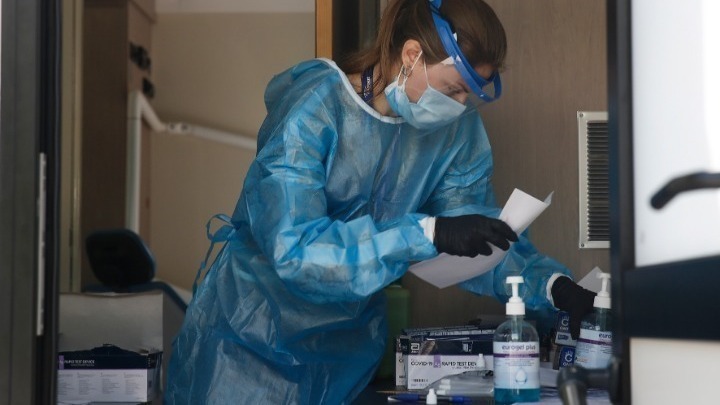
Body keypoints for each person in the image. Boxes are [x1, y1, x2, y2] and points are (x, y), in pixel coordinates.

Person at [165, 0, 595, 403]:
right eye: (454, 89)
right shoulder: (314, 109)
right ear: (411, 55)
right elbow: (294, 249)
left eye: (471, 94)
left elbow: (478, 236)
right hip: (249, 340)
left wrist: (550, 285)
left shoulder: (453, 132)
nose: (462, 106)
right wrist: (425, 233)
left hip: (345, 354)